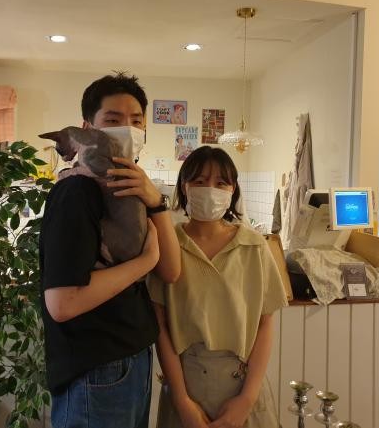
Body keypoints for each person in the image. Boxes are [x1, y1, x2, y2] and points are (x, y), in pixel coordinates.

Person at [40, 72, 181, 428]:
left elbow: (171, 271)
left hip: (132, 357)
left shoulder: (132, 187)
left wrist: (155, 201)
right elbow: (62, 303)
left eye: (137, 121)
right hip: (97, 368)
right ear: (87, 128)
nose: (127, 129)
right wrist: (145, 261)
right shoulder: (77, 192)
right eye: (113, 120)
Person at [148, 146, 288, 428]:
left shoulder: (253, 246)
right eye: (199, 181)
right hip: (186, 388)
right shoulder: (169, 245)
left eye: (221, 182)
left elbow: (265, 324)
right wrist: (182, 400)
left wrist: (247, 399)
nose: (210, 189)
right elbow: (160, 327)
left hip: (242, 385)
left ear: (232, 190)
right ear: (184, 187)